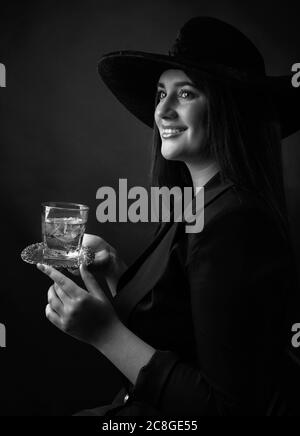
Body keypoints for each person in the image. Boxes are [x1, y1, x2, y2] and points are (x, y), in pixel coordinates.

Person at [37, 17, 300, 416]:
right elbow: (182, 329)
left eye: (186, 93)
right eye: (161, 93)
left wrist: (103, 333)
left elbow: (228, 409)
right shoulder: (197, 203)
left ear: (230, 109)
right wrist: (117, 272)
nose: (162, 110)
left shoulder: (234, 224)